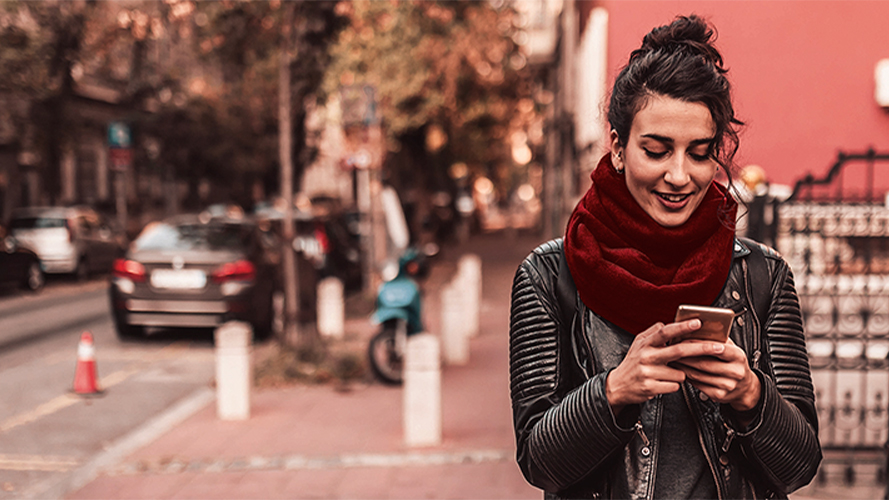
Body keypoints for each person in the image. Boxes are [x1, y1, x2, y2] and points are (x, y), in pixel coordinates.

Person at [509, 15, 821, 499]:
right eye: (656, 150)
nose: (680, 176)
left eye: (699, 153)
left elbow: (800, 465)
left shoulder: (763, 276)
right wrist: (612, 390)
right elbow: (539, 463)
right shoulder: (549, 276)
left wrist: (752, 395)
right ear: (617, 146)